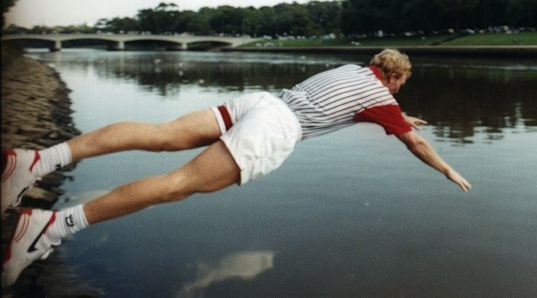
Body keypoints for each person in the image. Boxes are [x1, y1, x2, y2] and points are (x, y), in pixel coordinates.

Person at [1, 49, 471, 286]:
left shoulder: (352, 73)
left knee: (161, 134)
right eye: (400, 86)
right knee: (177, 185)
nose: (398, 95)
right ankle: (50, 225)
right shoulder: (380, 95)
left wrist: (395, 113)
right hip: (276, 128)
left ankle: (38, 160)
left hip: (261, 102)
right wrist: (446, 169)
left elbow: (362, 107)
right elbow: (416, 143)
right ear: (393, 76)